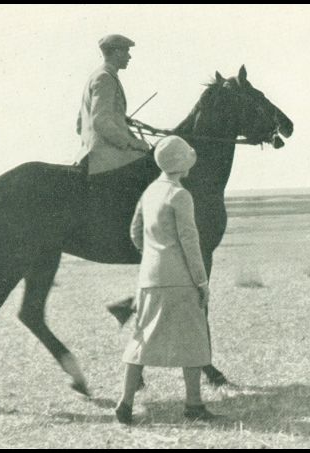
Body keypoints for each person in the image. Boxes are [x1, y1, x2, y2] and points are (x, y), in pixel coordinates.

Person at [114, 136, 216, 424]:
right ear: (182, 163)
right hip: (180, 280)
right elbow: (190, 241)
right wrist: (201, 281)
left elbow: (135, 232)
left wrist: (153, 256)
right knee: (194, 340)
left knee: (141, 340)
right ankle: (194, 405)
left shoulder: (150, 193)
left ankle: (125, 404)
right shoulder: (180, 195)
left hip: (148, 279)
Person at [74, 34, 151, 175]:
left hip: (90, 153)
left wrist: (121, 118)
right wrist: (132, 143)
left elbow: (80, 124)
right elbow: (100, 122)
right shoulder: (105, 78)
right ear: (117, 52)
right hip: (105, 158)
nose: (129, 57)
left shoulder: (96, 75)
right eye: (126, 51)